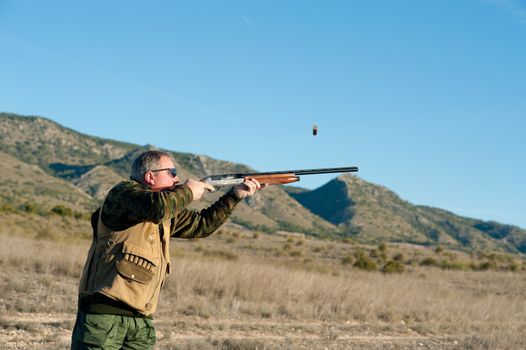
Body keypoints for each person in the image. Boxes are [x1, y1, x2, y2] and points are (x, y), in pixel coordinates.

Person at [71, 150, 263, 349]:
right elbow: (157, 208)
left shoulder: (166, 210)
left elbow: (202, 224)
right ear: (149, 176)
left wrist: (235, 195)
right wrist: (188, 191)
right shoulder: (123, 194)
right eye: (171, 172)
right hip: (103, 318)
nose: (177, 178)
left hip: (141, 321)